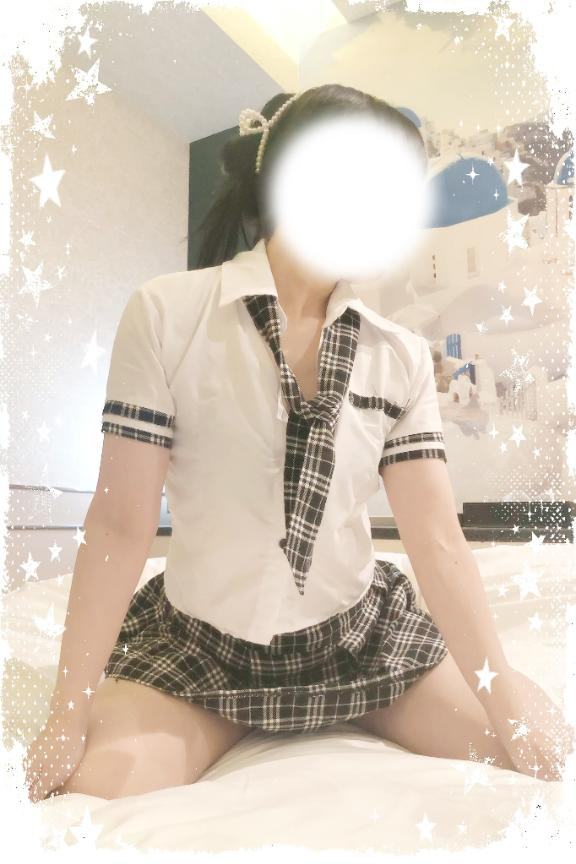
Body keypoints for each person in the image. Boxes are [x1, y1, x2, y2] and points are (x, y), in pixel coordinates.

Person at [24, 84, 573, 802]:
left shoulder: (399, 353)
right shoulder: (167, 313)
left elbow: (436, 539)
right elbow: (121, 524)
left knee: (542, 746)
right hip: (203, 647)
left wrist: (505, 705)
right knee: (92, 791)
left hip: (357, 640)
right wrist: (66, 714)